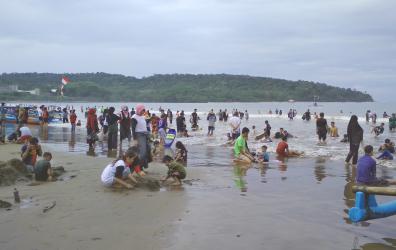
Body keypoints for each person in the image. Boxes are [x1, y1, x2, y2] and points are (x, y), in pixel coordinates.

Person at [132, 104, 151, 169]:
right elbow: (133, 129)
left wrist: (147, 115)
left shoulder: (143, 116)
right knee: (142, 152)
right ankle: (138, 168)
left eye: (144, 110)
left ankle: (143, 165)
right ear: (138, 110)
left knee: (148, 149)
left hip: (145, 134)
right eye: (142, 110)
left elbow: (147, 122)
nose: (143, 112)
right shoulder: (134, 117)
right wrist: (135, 139)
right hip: (139, 135)